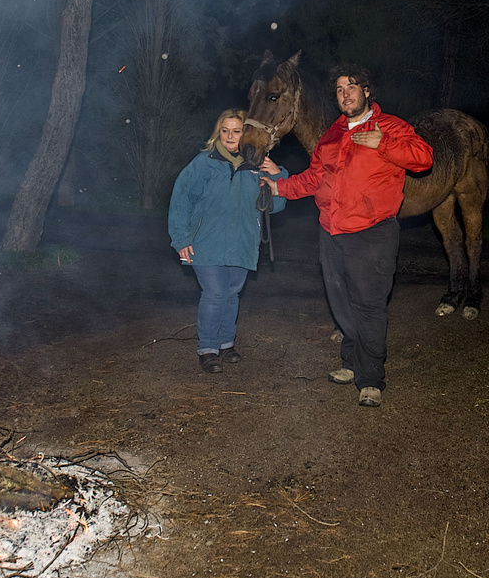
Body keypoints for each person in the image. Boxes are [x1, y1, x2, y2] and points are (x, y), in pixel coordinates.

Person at [264, 64, 433, 406]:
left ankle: (370, 378)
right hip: (331, 231)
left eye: (352, 87)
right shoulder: (331, 134)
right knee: (341, 303)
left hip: (372, 233)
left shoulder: (391, 127)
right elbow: (314, 179)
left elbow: (423, 158)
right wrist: (279, 186)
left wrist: (383, 143)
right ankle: (351, 362)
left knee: (368, 305)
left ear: (367, 91)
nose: (346, 94)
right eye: (340, 89)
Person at [169, 110, 287, 374]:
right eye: (225, 130)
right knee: (215, 293)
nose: (231, 136)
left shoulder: (257, 165)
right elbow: (181, 200)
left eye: (237, 131)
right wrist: (181, 239)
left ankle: (226, 343)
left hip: (243, 242)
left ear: (245, 133)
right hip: (206, 242)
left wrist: (277, 174)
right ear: (218, 133)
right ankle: (208, 348)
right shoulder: (204, 163)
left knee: (232, 294)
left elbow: (276, 206)